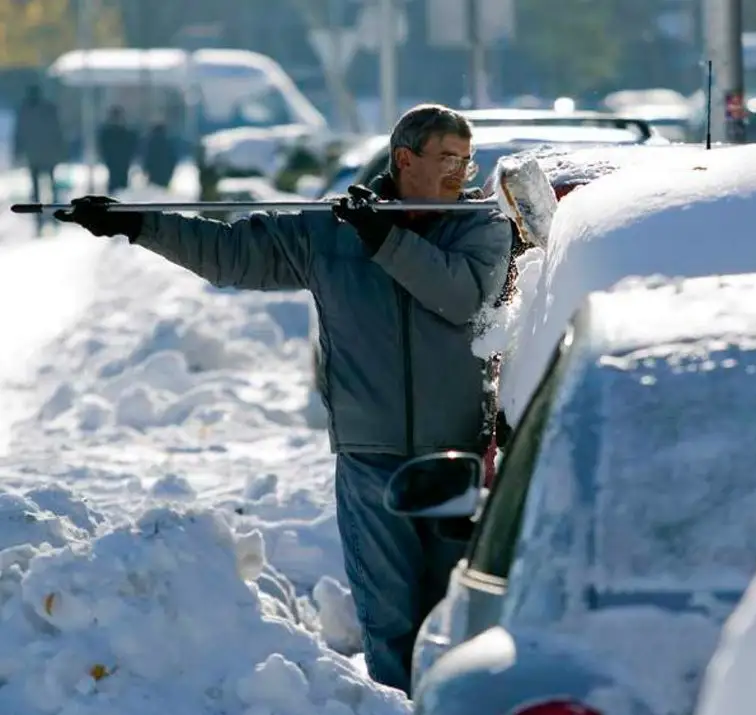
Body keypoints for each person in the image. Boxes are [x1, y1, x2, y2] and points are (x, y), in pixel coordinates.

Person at [54, 103, 515, 695]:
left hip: (456, 462)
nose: (461, 173)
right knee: (390, 622)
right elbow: (231, 253)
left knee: (454, 617)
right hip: (369, 458)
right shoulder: (333, 233)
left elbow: (458, 295)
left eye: (466, 160)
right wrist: (139, 224)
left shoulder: (480, 227)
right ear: (405, 159)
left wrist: (386, 239)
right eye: (447, 159)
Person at [13, 84, 66, 236]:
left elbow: (19, 133)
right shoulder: (49, 108)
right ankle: (55, 215)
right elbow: (58, 130)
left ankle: (38, 218)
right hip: (49, 153)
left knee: (36, 188)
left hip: (33, 154)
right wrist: (61, 149)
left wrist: (17, 151)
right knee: (52, 185)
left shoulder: (24, 110)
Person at [98, 105, 138, 194]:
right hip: (117, 161)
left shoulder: (109, 133)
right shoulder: (111, 133)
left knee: (119, 182)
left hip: (119, 161)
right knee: (117, 182)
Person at [142, 121, 179, 189]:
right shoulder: (168, 143)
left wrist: (146, 170)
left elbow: (146, 158)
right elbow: (173, 159)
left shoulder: (150, 143)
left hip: (153, 172)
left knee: (153, 190)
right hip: (165, 172)